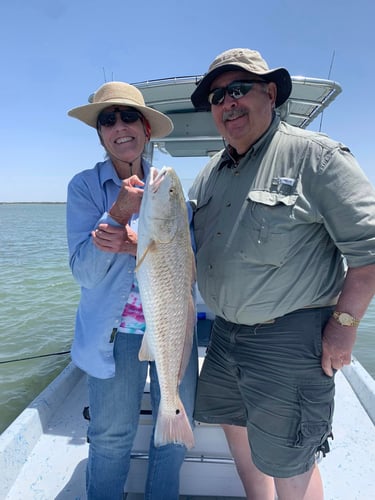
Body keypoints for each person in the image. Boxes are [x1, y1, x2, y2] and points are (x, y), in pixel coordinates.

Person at [188, 48, 375, 500]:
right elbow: (181, 241)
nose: (227, 103)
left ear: (270, 93)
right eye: (216, 96)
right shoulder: (211, 171)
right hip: (225, 333)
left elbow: (369, 252)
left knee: (291, 458)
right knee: (235, 425)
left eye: (238, 89)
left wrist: (344, 327)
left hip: (290, 339)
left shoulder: (316, 157)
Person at [66, 81, 198, 500]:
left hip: (174, 325)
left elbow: (183, 261)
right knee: (109, 438)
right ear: (101, 133)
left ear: (146, 129)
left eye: (129, 118)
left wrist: (132, 244)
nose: (119, 127)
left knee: (173, 438)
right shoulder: (84, 187)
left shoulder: (171, 192)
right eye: (108, 120)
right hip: (115, 336)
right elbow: (84, 272)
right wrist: (119, 211)